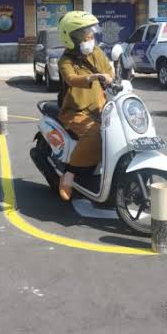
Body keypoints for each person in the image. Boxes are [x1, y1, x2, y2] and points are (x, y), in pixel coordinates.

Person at [56, 11, 114, 201]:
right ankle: (69, 174)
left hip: (101, 107)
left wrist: (111, 76)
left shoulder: (96, 52)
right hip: (75, 111)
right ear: (71, 38)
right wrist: (93, 77)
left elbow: (109, 71)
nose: (90, 38)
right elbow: (71, 79)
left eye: (91, 33)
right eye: (85, 34)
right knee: (95, 134)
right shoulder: (65, 61)